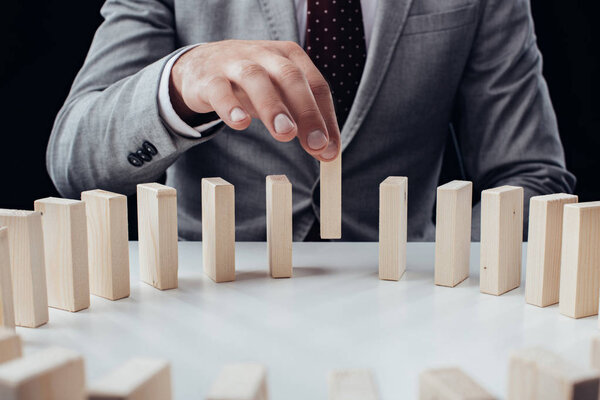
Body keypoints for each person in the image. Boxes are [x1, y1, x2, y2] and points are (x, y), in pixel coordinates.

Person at [47, 0, 575, 241]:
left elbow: (532, 174)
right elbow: (74, 162)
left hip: (408, 304)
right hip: (207, 296)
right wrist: (180, 83)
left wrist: (452, 263)